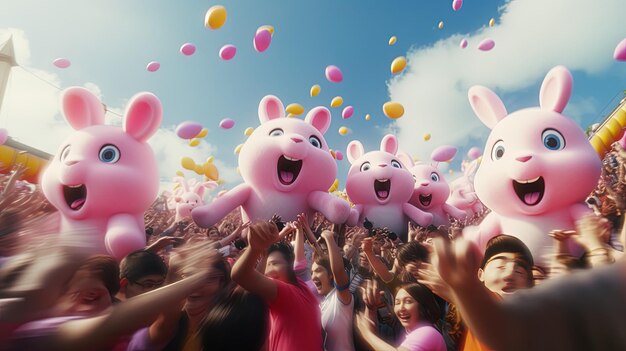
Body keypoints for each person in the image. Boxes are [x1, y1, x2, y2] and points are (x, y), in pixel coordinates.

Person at [432, 235, 626, 351]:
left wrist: (465, 290)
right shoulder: (457, 318)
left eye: (520, 270)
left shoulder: (541, 319)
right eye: (500, 265)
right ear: (480, 274)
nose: (509, 273)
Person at [231, 221, 323, 351]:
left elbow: (240, 275)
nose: (269, 271)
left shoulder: (286, 293)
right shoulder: (301, 285)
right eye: (267, 265)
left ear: (291, 265)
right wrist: (275, 239)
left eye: (274, 263)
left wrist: (254, 249)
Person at [356, 281, 446, 351]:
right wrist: (371, 307)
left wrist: (366, 333)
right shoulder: (407, 330)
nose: (401, 308)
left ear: (423, 305)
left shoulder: (428, 332)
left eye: (408, 301)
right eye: (397, 302)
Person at [312, 229, 355, 351]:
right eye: (312, 272)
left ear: (330, 274)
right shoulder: (322, 302)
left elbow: (338, 271)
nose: (313, 276)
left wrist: (329, 238)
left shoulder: (341, 298)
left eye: (318, 271)